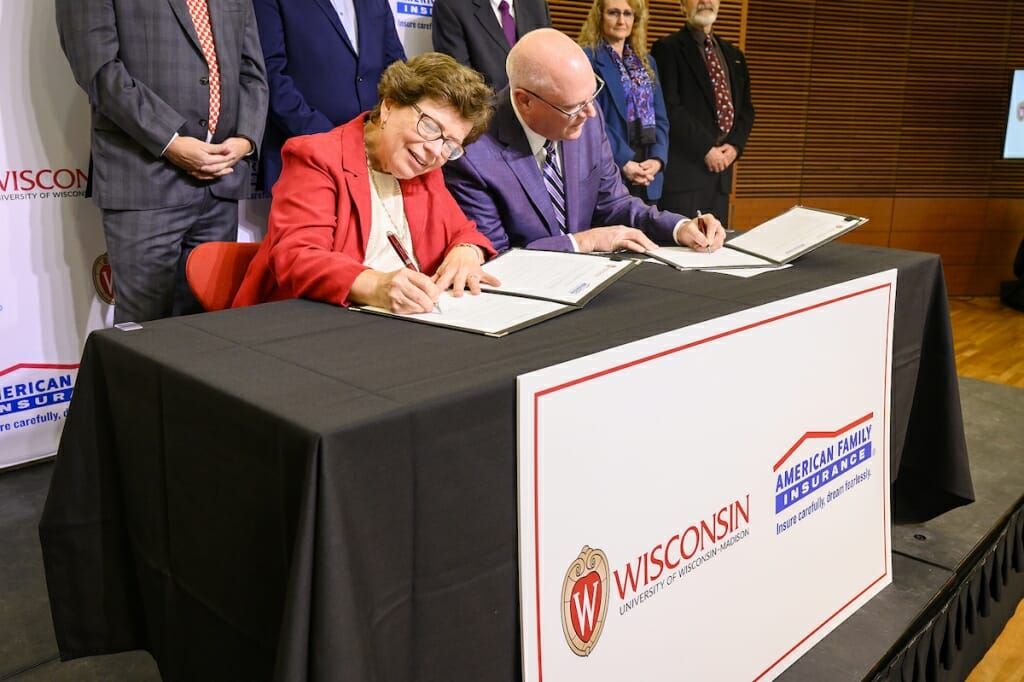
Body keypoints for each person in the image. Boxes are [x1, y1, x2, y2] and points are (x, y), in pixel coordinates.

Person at [233, 53, 499, 314]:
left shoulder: (424, 169)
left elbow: (464, 231)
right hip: (308, 322)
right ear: (389, 106)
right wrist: (376, 284)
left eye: (451, 145)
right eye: (429, 127)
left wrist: (467, 252)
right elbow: (297, 257)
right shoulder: (318, 157)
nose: (434, 150)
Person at [54, 0, 269, 324]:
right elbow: (98, 70)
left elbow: (252, 68)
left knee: (210, 331)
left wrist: (246, 138)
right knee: (146, 334)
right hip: (144, 179)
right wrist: (170, 142)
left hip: (220, 181)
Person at [442, 28, 724, 255]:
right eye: (574, 106)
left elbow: (613, 203)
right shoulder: (471, 151)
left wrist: (679, 227)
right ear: (524, 101)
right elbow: (493, 255)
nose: (589, 113)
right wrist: (582, 242)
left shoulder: (586, 114)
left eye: (593, 95)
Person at [253, 0, 406, 193]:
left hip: (371, 156)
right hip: (305, 154)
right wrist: (328, 136)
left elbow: (397, 70)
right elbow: (270, 75)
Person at [651, 0, 754, 225]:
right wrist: (706, 148)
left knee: (717, 250)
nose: (705, 1)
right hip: (684, 177)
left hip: (721, 178)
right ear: (682, 5)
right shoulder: (667, 49)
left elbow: (746, 109)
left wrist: (735, 147)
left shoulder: (734, 54)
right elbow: (669, 107)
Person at [579, 0, 669, 203]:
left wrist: (657, 159)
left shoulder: (647, 61)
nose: (621, 20)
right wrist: (624, 161)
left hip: (648, 173)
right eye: (613, 13)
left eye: (628, 14)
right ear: (599, 16)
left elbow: (661, 117)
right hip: (612, 168)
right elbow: (592, 119)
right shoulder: (587, 59)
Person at [432, 0, 551, 90]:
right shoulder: (451, 5)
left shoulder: (537, 5)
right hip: (486, 118)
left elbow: (547, 70)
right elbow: (460, 85)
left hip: (536, 117)